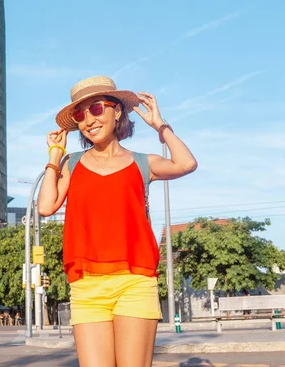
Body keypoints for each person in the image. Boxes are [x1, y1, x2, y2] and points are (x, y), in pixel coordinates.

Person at [37, 76, 197, 367]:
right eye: (80, 114)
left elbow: (186, 163)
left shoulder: (141, 163)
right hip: (86, 287)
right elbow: (46, 206)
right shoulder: (72, 163)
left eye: (96, 109)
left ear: (117, 110)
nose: (88, 119)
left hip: (134, 283)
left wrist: (160, 126)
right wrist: (55, 155)